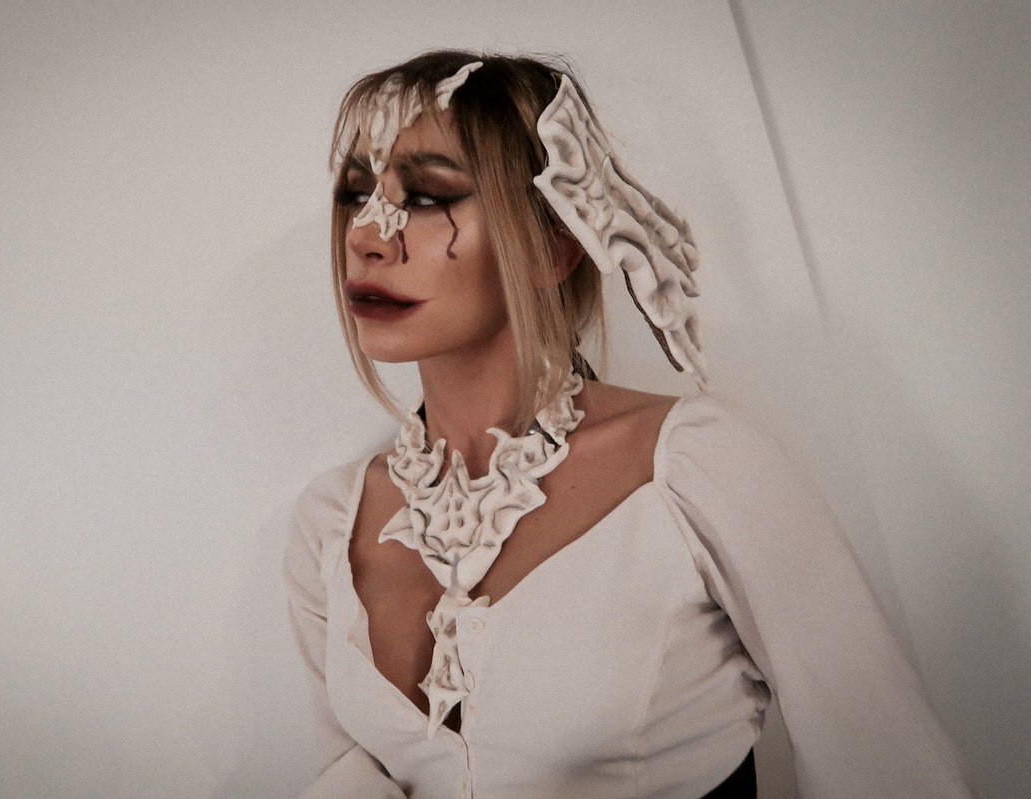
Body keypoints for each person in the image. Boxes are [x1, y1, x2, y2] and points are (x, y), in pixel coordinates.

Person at [283, 50, 971, 798]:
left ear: (551, 247)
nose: (367, 235)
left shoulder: (697, 467)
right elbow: (343, 776)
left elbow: (889, 769)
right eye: (356, 193)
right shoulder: (330, 524)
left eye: (426, 196)